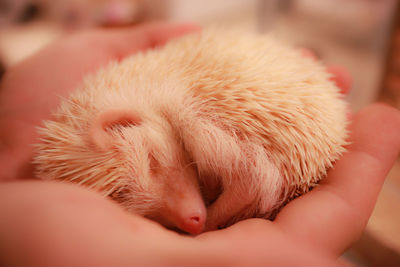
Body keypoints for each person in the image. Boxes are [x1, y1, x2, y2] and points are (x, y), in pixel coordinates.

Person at [0, 22, 399, 267]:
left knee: (199, 123)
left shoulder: (164, 101)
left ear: (122, 123)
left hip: (237, 132)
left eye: (155, 166)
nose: (190, 217)